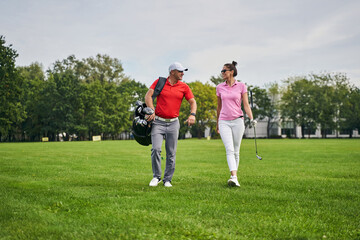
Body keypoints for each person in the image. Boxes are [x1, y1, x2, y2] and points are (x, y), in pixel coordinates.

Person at [144, 62, 197, 187]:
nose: (182, 73)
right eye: (180, 71)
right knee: (156, 149)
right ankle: (156, 177)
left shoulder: (184, 87)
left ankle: (167, 179)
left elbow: (193, 102)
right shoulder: (160, 82)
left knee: (171, 153)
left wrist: (192, 115)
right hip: (158, 122)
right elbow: (148, 96)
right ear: (172, 71)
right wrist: (151, 110)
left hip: (174, 124)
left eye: (183, 71)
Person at [216, 61, 256, 187]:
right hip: (224, 121)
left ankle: (234, 176)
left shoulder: (241, 86)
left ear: (231, 72)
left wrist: (252, 118)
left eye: (224, 71)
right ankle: (234, 176)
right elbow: (218, 107)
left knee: (236, 150)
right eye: (221, 71)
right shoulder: (219, 87)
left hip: (238, 120)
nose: (222, 73)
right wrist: (217, 123)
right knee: (229, 149)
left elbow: (246, 105)